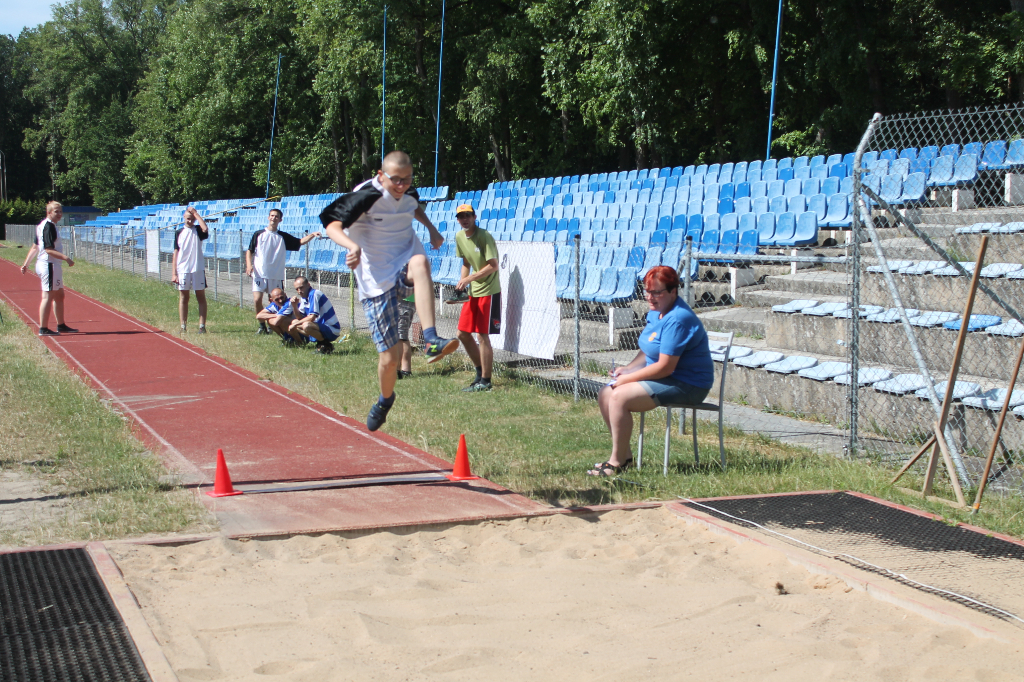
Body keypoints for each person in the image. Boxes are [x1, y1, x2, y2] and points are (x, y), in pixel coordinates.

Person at [320, 150, 458, 431]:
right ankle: (385, 399)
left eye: (406, 180)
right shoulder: (366, 196)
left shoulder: (407, 191)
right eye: (395, 180)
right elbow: (331, 224)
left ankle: (431, 338)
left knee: (420, 262)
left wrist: (430, 228)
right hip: (375, 280)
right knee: (389, 358)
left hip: (402, 260)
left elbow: (413, 205)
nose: (401, 186)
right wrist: (351, 246)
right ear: (381, 176)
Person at [590, 265, 714, 477]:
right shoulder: (656, 313)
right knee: (605, 393)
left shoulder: (678, 318)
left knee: (619, 397)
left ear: (674, 291)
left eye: (657, 292)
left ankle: (616, 463)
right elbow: (649, 350)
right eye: (647, 291)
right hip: (666, 378)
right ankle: (624, 456)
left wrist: (628, 379)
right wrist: (627, 369)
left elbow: (665, 366)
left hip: (689, 384)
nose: (650, 297)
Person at [246, 209, 321, 334]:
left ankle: (274, 324)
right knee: (257, 300)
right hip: (259, 273)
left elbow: (299, 242)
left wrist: (312, 235)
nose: (273, 218)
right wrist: (249, 266)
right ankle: (262, 326)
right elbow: (249, 251)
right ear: (268, 217)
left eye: (276, 217)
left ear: (280, 220)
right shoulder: (258, 234)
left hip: (275, 275)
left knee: (277, 302)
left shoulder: (282, 236)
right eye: (272, 216)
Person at [453, 204, 501, 392]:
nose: (464, 219)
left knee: (482, 335)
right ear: (457, 219)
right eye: (461, 216)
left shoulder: (484, 236)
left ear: (474, 217)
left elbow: (494, 265)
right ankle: (479, 372)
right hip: (473, 291)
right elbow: (465, 261)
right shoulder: (459, 236)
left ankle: (486, 381)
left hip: (489, 290)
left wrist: (469, 278)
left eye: (467, 215)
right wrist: (461, 282)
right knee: (462, 333)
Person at [20, 201, 77, 336]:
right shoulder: (48, 227)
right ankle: (43, 328)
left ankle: (61, 325)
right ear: (49, 212)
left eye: (60, 211)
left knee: (59, 295)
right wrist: (66, 258)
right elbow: (48, 249)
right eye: (56, 211)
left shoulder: (44, 226)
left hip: (50, 265)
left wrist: (26, 264)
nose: (59, 214)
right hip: (49, 264)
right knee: (48, 296)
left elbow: (35, 246)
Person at [171, 206, 210, 334]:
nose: (190, 221)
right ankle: (183, 325)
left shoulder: (198, 230)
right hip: (183, 269)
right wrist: (174, 273)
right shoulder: (179, 232)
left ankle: (202, 326)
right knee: (184, 297)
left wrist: (196, 214)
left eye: (192, 219)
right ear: (184, 218)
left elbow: (205, 228)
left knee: (200, 296)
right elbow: (176, 252)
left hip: (197, 268)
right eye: (188, 218)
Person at [289, 276, 341, 354]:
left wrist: (295, 324)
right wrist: (294, 306)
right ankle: (322, 344)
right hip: (321, 327)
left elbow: (312, 317)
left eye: (301, 288)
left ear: (308, 285)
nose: (299, 291)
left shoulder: (314, 294)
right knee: (294, 322)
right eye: (297, 289)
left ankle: (325, 345)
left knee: (306, 325)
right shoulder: (304, 297)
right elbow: (299, 317)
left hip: (331, 329)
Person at [396, 292, 416, 379]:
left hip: (404, 300)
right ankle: (403, 369)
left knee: (401, 336)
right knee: (400, 335)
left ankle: (404, 370)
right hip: (402, 299)